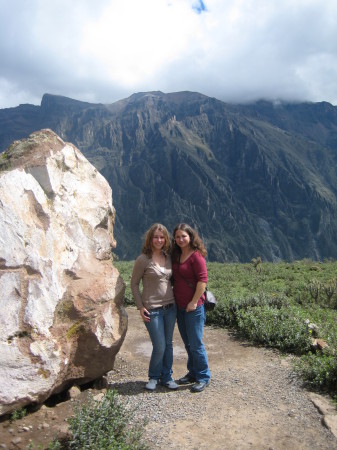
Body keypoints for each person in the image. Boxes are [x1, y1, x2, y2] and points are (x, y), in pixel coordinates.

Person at [131, 223, 178, 391]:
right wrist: (140, 306)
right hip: (153, 309)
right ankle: (153, 376)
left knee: (168, 344)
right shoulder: (143, 259)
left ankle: (167, 376)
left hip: (170, 307)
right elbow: (134, 284)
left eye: (162, 237)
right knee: (160, 345)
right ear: (150, 239)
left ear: (165, 239)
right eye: (155, 237)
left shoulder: (169, 257)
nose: (159, 240)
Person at [171, 223, 211, 393]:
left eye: (184, 236)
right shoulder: (176, 255)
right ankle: (193, 372)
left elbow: (202, 281)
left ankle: (203, 376)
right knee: (188, 343)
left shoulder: (196, 257)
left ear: (190, 237)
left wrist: (194, 301)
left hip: (194, 307)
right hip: (180, 306)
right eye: (178, 237)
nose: (181, 239)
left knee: (196, 343)